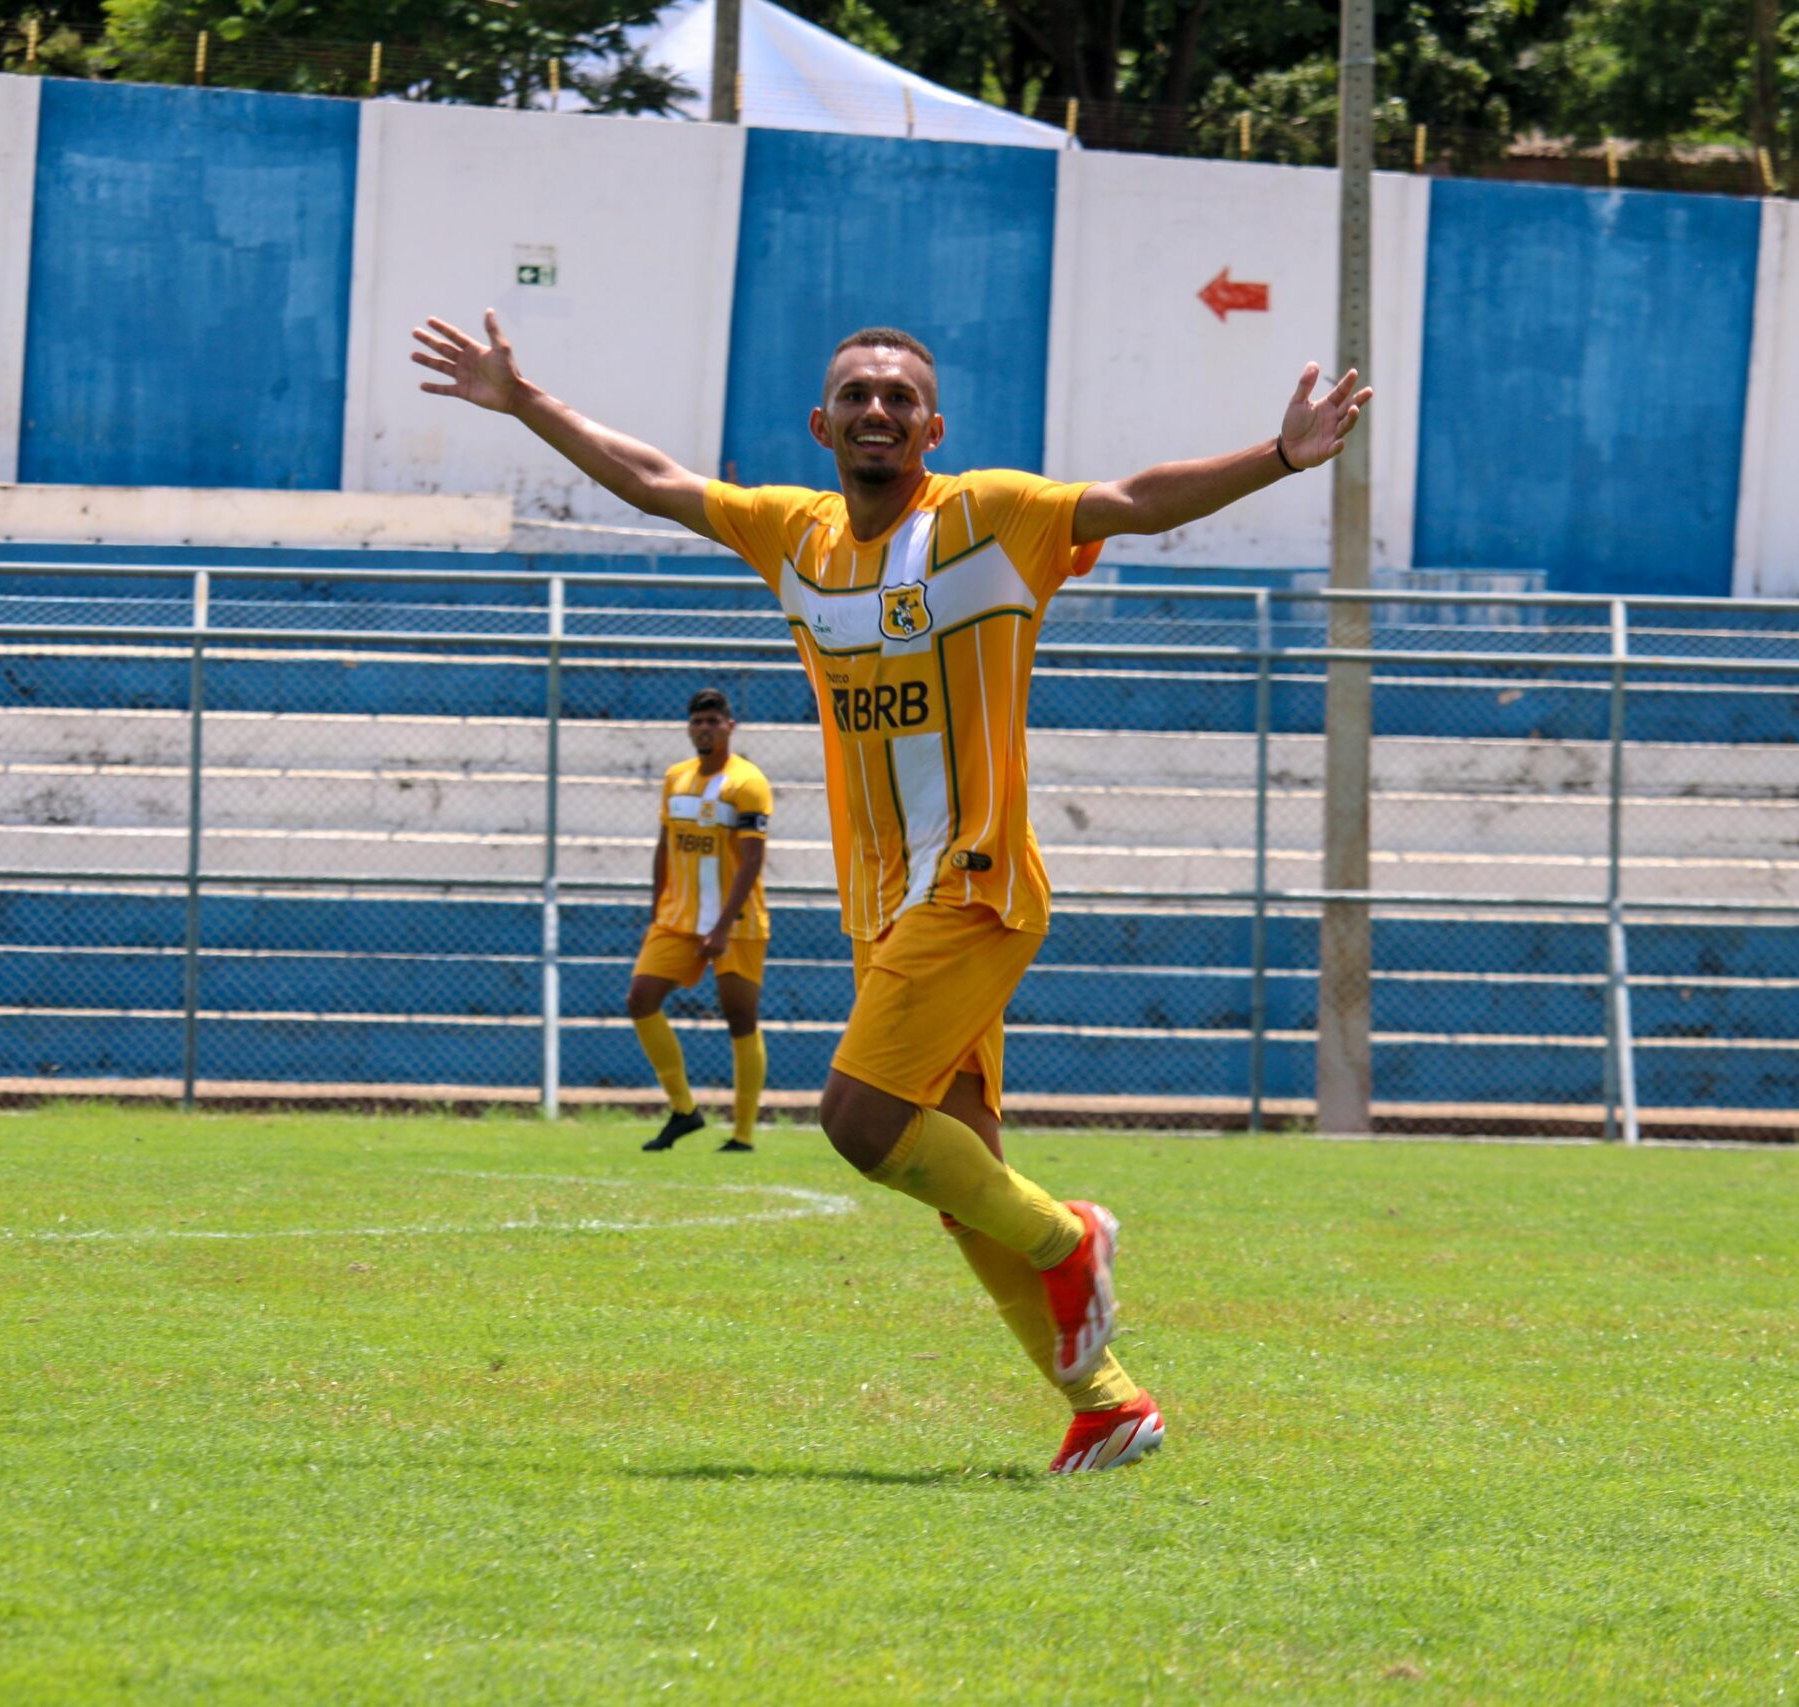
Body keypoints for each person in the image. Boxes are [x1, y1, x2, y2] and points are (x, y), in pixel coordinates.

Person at [412, 312, 1368, 1474]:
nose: (877, 410)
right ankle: (1109, 1406)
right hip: (884, 906)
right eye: (856, 395)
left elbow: (1130, 499)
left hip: (974, 883)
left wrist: (1274, 458)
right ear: (822, 425)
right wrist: (526, 404)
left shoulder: (988, 519)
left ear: (932, 427)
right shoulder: (795, 538)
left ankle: (1074, 1240)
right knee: (960, 1168)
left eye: (899, 398)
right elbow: (656, 480)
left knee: (861, 1125)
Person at [629, 688, 773, 1154]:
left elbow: (751, 862)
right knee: (640, 999)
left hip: (737, 921)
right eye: (697, 722)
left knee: (739, 1018)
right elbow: (663, 845)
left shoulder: (747, 784)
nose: (705, 728)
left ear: (730, 726)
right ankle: (684, 1110)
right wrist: (657, 909)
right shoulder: (676, 779)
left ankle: (743, 1134)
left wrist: (722, 926)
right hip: (679, 918)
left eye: (713, 721)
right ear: (689, 728)